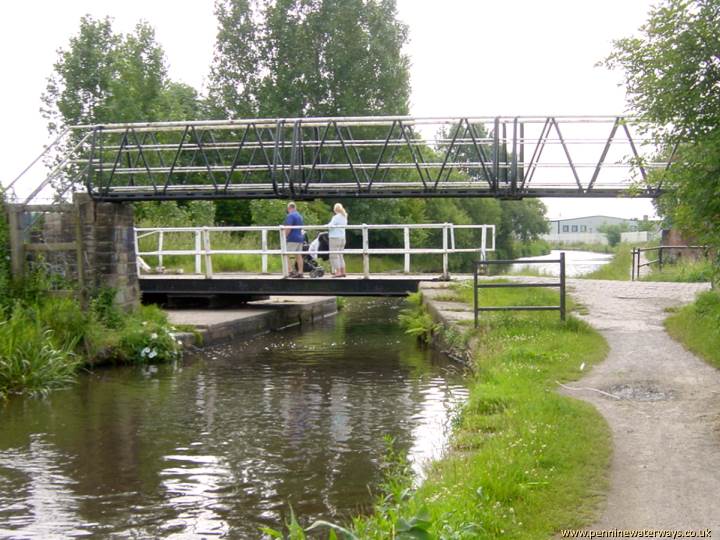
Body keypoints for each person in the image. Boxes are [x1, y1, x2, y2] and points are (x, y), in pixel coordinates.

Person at [283, 202, 304, 278]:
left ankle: (290, 271)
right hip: (300, 238)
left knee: (285, 254)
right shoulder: (300, 216)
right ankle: (300, 272)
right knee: (298, 255)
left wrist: (284, 237)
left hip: (292, 238)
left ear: (289, 208)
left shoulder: (290, 215)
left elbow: (288, 228)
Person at [327, 203, 347, 277]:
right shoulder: (344, 216)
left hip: (335, 238)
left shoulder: (336, 217)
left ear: (335, 209)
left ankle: (338, 272)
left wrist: (326, 226)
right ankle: (343, 271)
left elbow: (330, 226)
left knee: (334, 255)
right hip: (342, 237)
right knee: (340, 255)